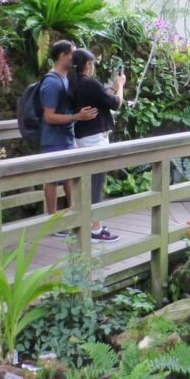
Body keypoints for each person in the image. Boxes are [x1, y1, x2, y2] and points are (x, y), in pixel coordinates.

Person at [40, 40, 97, 234]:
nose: (76, 57)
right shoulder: (51, 82)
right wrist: (76, 117)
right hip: (54, 139)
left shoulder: (67, 79)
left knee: (70, 177)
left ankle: (73, 217)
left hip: (67, 137)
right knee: (53, 178)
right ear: (63, 56)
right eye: (73, 54)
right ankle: (53, 222)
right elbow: (49, 116)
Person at [70, 48, 126, 243]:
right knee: (96, 183)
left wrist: (109, 90)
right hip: (94, 139)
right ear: (88, 65)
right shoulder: (89, 83)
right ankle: (96, 229)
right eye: (92, 64)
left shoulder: (73, 82)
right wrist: (120, 86)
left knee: (87, 182)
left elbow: (100, 97)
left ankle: (88, 224)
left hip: (82, 137)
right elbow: (115, 103)